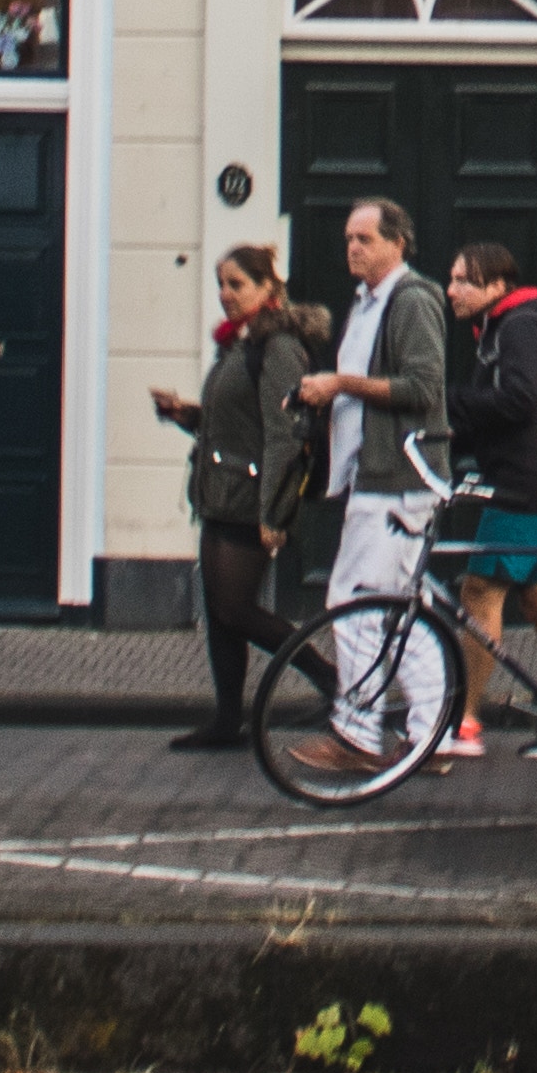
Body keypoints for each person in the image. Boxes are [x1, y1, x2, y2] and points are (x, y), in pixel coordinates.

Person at [282, 200, 455, 776]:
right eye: (349, 238)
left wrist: (340, 384)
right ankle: (431, 736)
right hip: (378, 476)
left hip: (398, 480)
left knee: (356, 603)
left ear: (397, 244)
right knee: (406, 609)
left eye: (365, 238)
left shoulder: (411, 300)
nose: (352, 248)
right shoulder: (367, 303)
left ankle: (358, 735)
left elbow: (423, 388)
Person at [148, 246, 317, 752]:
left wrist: (274, 512)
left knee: (236, 609)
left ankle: (329, 679)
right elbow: (233, 426)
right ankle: (227, 720)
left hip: (250, 500)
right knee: (220, 614)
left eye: (237, 284)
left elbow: (284, 435)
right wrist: (185, 414)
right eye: (221, 284)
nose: (225, 295)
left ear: (270, 288)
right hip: (220, 496)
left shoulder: (279, 347)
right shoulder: (239, 346)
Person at [441, 235, 537, 762]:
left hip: (524, 484)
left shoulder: (518, 327)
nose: (450, 289)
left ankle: (465, 719)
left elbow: (521, 398)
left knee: (479, 593)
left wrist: (455, 405)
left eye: (462, 280)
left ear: (497, 286)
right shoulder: (509, 326)